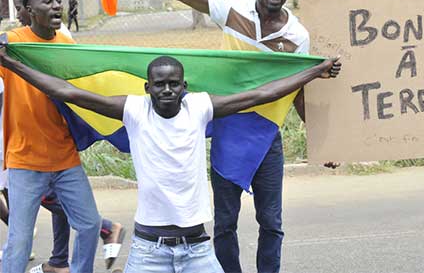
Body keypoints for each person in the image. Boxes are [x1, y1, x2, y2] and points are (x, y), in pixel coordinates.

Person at [0, 44, 341, 272]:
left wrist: (315, 71)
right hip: (149, 251)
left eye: (174, 84)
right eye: (159, 84)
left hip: (198, 251)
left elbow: (261, 93)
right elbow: (67, 91)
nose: (166, 90)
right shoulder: (134, 110)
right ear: (147, 88)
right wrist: (11, 64)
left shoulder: (200, 107)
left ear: (184, 86)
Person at [114, 0, 315, 272]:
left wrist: (322, 142)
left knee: (271, 223)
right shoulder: (232, 9)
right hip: (228, 130)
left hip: (266, 136)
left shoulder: (297, 36)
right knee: (224, 224)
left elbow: (297, 91)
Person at [6, 0, 126, 273]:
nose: (57, 5)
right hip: (25, 160)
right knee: (19, 240)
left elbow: (87, 88)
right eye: (48, 1)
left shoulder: (66, 45)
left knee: (88, 225)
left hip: (65, 158)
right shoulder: (12, 43)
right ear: (29, 10)